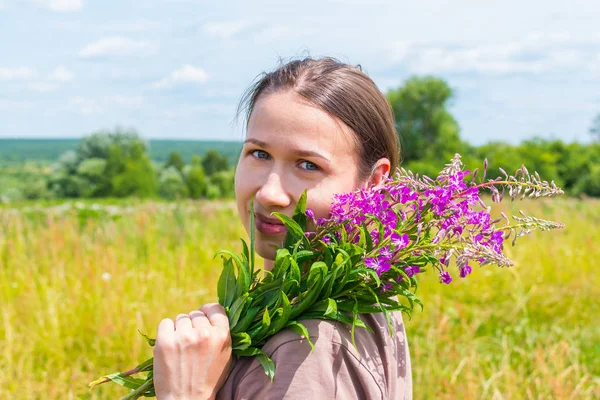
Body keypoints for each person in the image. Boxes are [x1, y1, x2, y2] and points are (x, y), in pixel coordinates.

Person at [152, 56, 413, 400]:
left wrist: (182, 395)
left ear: (374, 181)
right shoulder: (362, 292)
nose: (269, 193)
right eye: (259, 154)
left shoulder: (307, 349)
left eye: (308, 165)